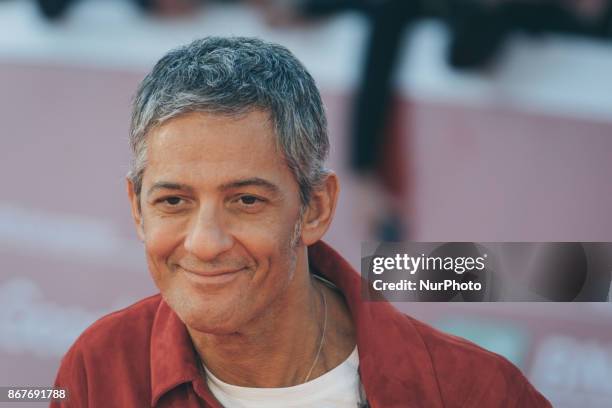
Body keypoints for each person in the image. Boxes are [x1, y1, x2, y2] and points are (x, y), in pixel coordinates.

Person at [51, 36, 551, 407]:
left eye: (246, 200)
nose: (204, 243)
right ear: (137, 209)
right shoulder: (100, 367)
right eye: (173, 201)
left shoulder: (473, 391)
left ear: (315, 209)